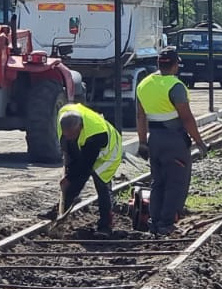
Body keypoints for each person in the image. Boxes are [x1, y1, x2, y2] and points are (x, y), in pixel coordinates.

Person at [136, 46, 208, 236]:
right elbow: (187, 118)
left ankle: (154, 221)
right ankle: (166, 223)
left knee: (158, 181)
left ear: (158, 64)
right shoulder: (176, 86)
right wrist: (199, 142)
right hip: (174, 140)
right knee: (175, 182)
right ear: (175, 65)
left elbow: (140, 116)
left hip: (154, 139)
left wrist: (142, 142)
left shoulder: (144, 84)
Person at [57, 102, 124, 236]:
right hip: (87, 148)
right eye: (66, 135)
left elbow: (85, 166)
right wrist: (68, 177)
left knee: (101, 184)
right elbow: (71, 154)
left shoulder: (97, 134)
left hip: (109, 153)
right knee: (72, 179)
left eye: (72, 135)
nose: (68, 137)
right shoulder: (63, 114)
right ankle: (61, 210)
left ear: (80, 127)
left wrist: (69, 179)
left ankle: (106, 225)